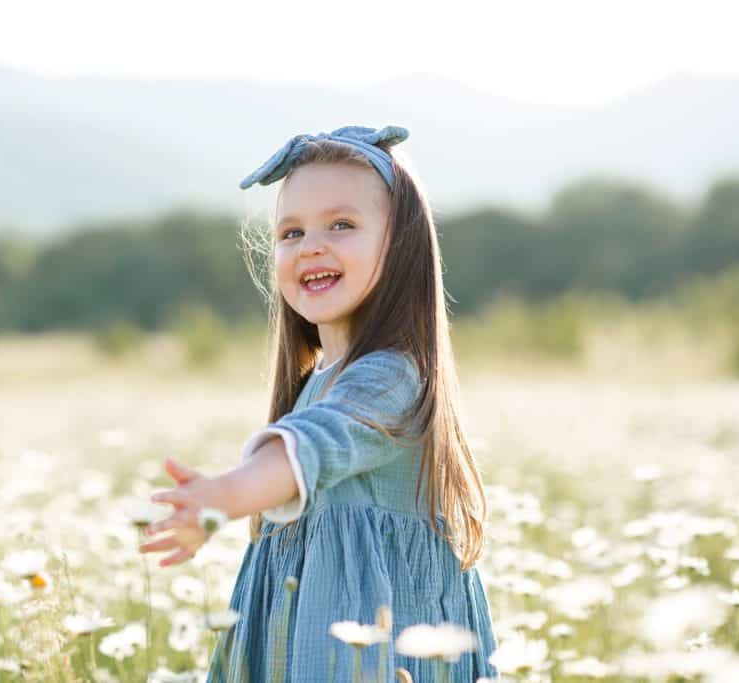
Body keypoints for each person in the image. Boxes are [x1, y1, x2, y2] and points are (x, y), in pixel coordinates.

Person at [139, 125, 500, 682]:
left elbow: (312, 448)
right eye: (291, 231)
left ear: (401, 247)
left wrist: (224, 496)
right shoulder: (316, 378)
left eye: (342, 225)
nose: (311, 245)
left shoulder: (392, 376)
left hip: (378, 649)